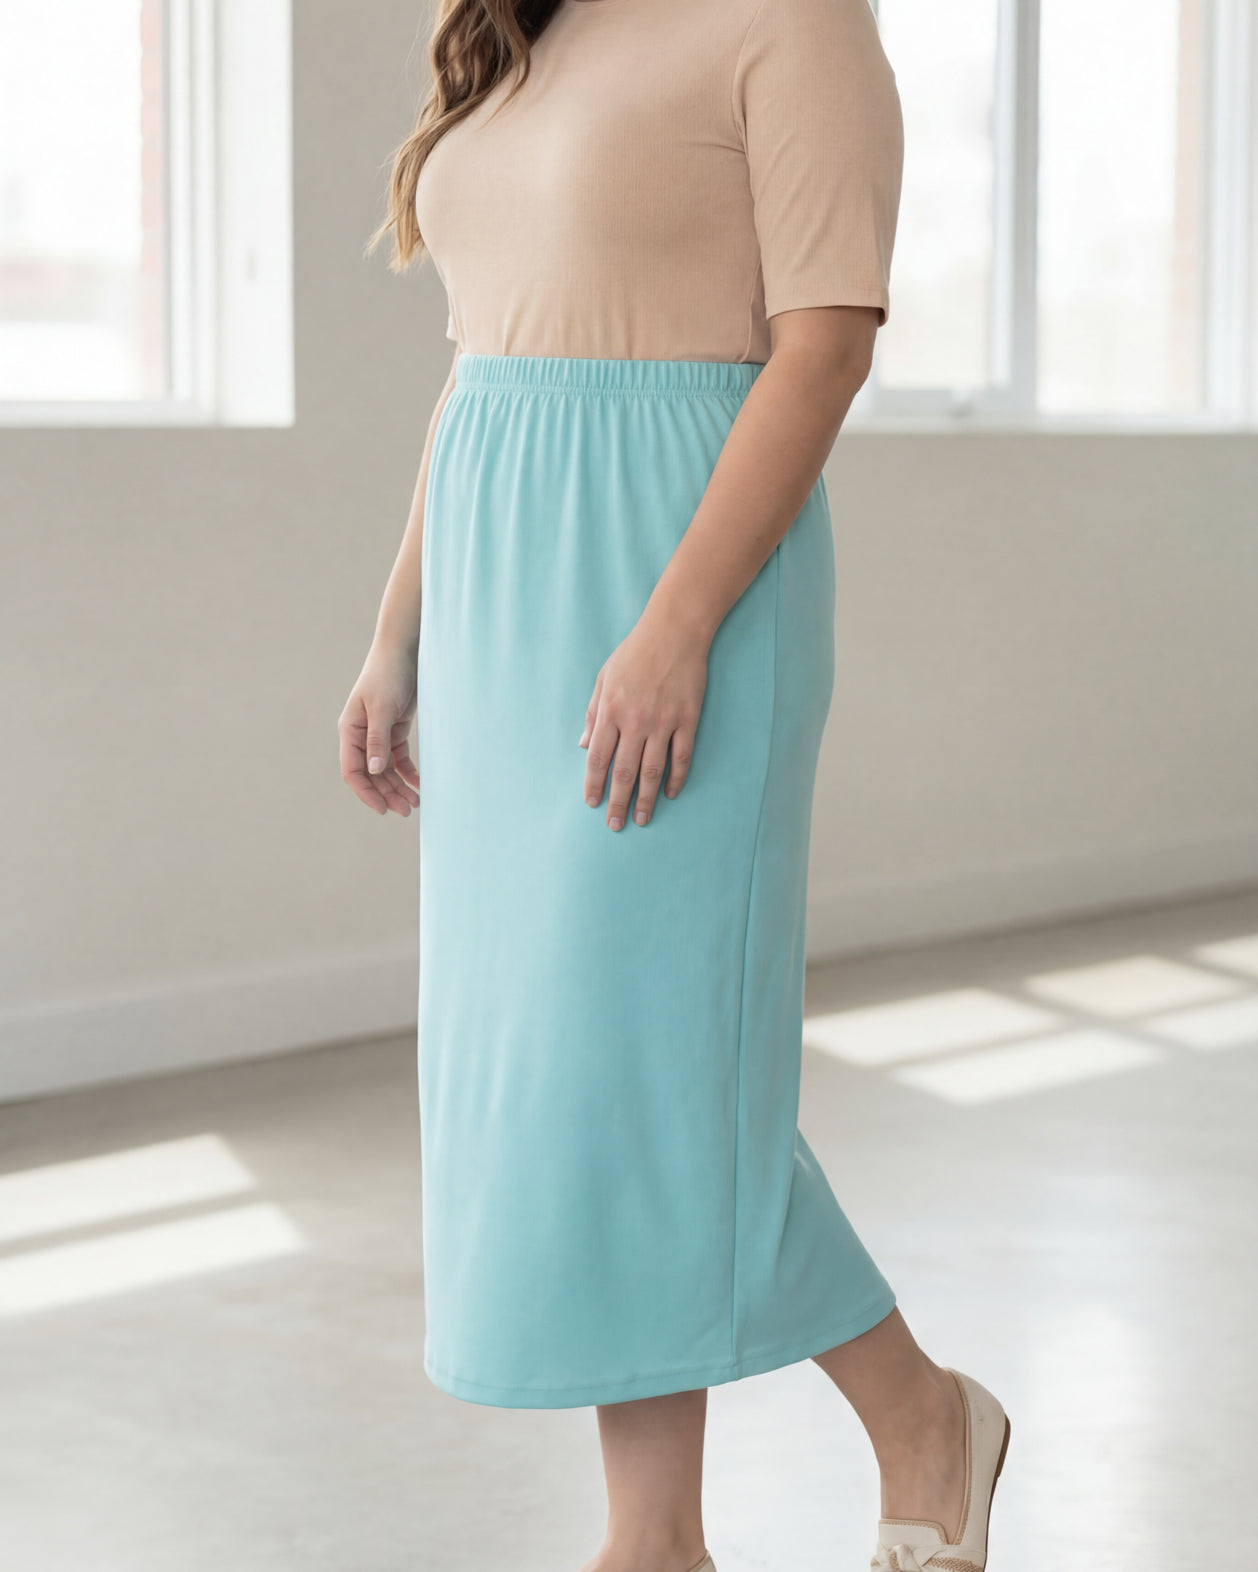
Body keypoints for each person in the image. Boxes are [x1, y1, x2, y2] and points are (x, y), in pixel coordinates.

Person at [339, 2, 1011, 1568]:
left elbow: (827, 344)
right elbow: (481, 366)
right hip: (504, 600)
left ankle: (919, 1419)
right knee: (574, 1087)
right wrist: (396, 632)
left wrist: (676, 621)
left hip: (685, 576)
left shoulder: (791, 23)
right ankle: (655, 1539)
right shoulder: (533, 27)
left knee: (656, 1072)